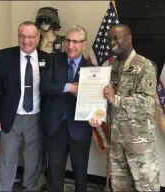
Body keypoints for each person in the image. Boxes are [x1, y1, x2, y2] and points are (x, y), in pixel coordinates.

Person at [89, 24, 160, 192]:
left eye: (116, 38)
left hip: (139, 146)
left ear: (129, 38)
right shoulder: (109, 69)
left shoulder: (145, 66)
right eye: (109, 39)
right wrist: (94, 113)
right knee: (120, 189)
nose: (112, 42)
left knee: (146, 188)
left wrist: (117, 99)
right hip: (117, 144)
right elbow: (104, 101)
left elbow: (148, 104)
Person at [0, 21, 50, 191]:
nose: (26, 40)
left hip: (36, 117)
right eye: (22, 36)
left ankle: (29, 188)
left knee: (33, 158)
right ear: (18, 37)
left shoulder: (47, 58)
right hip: (10, 116)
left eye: (30, 37)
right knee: (7, 158)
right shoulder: (4, 55)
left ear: (38, 38)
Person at [40, 25, 92, 192]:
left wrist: (96, 112)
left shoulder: (92, 70)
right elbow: (43, 86)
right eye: (68, 40)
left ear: (84, 44)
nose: (70, 46)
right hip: (56, 127)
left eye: (76, 42)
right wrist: (67, 87)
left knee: (81, 176)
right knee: (54, 176)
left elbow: (95, 101)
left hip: (80, 128)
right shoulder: (53, 60)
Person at [35, 6, 65, 190]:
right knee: (37, 142)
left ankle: (53, 180)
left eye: (47, 20)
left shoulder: (63, 42)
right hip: (35, 97)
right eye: (41, 20)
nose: (44, 24)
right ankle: (39, 176)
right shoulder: (33, 41)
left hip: (55, 98)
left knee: (54, 145)